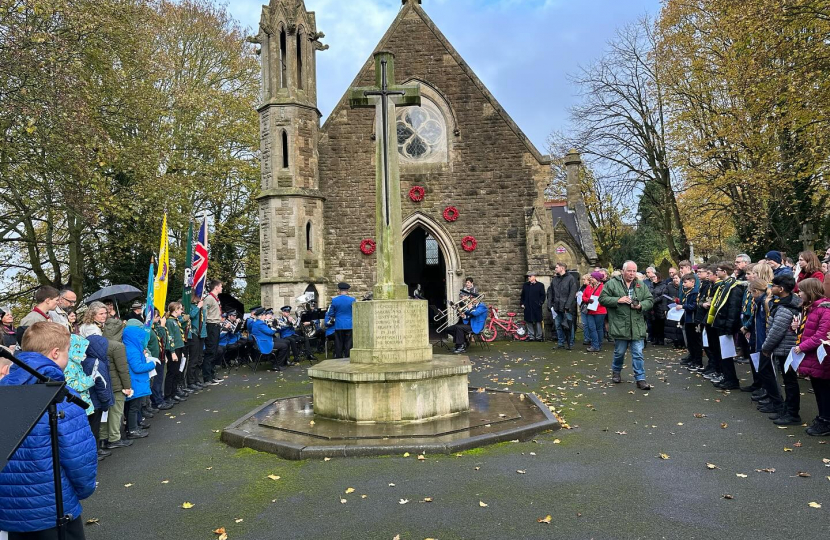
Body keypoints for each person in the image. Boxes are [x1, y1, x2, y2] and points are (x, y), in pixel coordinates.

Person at [0, 322, 97, 539]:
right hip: (54, 507)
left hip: (9, 509)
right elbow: (79, 456)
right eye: (67, 352)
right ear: (55, 353)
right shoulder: (62, 397)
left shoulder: (3, 391)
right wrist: (84, 489)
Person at [599, 261, 654, 390]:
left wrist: (640, 305)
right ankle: (616, 371)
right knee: (619, 352)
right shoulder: (612, 284)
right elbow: (602, 299)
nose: (632, 273)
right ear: (623, 271)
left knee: (638, 353)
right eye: (629, 271)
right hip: (620, 324)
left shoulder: (641, 284)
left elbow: (650, 300)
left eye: (634, 271)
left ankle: (640, 379)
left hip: (637, 324)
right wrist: (618, 300)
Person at [760, 274, 801, 425]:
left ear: (781, 289)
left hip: (785, 349)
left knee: (790, 382)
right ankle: (787, 410)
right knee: (788, 381)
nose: (771, 288)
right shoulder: (781, 304)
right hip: (784, 349)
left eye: (774, 286)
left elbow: (776, 331)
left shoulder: (784, 309)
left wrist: (766, 348)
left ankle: (792, 413)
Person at [794, 279, 830, 436]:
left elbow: (820, 335)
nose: (799, 293)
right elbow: (807, 330)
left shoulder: (824, 310)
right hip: (812, 356)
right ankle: (822, 417)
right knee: (818, 388)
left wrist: (802, 347)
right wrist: (794, 328)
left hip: (820, 358)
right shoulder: (810, 309)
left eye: (801, 290)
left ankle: (826, 420)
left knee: (824, 390)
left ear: (810, 291)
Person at [707, 262, 746, 390]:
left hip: (726, 325)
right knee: (722, 353)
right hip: (720, 323)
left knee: (727, 354)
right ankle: (727, 377)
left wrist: (729, 326)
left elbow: (733, 308)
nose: (716, 272)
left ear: (724, 271)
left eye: (718, 270)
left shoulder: (734, 287)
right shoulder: (723, 285)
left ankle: (731, 379)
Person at [82, 334, 115, 460]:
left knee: (92, 427)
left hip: (91, 400)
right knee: (94, 428)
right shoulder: (98, 364)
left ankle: (95, 450)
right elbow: (102, 385)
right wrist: (106, 401)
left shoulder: (86, 361)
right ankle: (95, 452)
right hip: (97, 402)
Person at [122, 321, 156, 439]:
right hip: (136, 382)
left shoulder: (129, 346)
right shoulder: (132, 350)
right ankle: (132, 430)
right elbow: (137, 367)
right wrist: (152, 364)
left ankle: (133, 427)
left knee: (131, 407)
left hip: (134, 382)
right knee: (134, 407)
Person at [547, 263, 578, 349]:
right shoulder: (555, 279)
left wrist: (568, 305)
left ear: (562, 268)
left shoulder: (570, 278)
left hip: (566, 307)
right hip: (556, 306)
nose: (555, 269)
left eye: (557, 267)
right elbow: (550, 292)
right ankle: (561, 343)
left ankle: (570, 343)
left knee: (568, 325)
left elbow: (572, 293)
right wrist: (550, 304)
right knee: (558, 325)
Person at [202, 280, 223, 385]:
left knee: (214, 351)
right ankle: (207, 377)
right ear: (216, 287)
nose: (221, 288)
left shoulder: (216, 299)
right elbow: (204, 313)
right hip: (211, 325)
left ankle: (212, 374)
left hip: (216, 325)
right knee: (210, 351)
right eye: (220, 286)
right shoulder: (209, 299)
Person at [327, 282, 356, 358]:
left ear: (339, 290)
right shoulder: (352, 300)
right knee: (348, 343)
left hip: (339, 324)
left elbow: (331, 313)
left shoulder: (335, 300)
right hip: (349, 324)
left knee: (339, 343)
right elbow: (355, 312)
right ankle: (348, 358)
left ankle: (338, 358)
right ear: (347, 290)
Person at [680, 273, 702, 369]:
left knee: (695, 341)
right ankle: (693, 359)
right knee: (690, 341)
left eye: (685, 282)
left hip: (693, 320)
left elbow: (694, 306)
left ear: (692, 282)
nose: (683, 285)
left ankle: (698, 361)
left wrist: (683, 306)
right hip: (688, 319)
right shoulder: (688, 292)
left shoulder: (695, 292)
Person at [582, 272, 607, 352]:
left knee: (599, 328)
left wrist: (597, 303)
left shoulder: (603, 287)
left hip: (600, 311)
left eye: (592, 277)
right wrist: (588, 300)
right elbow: (583, 296)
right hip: (590, 311)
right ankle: (595, 345)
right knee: (592, 328)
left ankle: (598, 345)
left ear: (597, 279)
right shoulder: (588, 287)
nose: (591, 279)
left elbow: (605, 299)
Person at [187, 293, 207, 389]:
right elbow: (191, 315)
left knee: (200, 358)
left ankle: (196, 379)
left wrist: (202, 307)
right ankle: (190, 381)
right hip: (194, 333)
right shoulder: (190, 306)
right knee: (193, 358)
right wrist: (198, 307)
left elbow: (204, 319)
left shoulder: (201, 306)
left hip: (201, 334)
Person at [520, 271, 546, 342]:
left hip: (536, 306)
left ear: (534, 277)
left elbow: (543, 295)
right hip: (527, 306)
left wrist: (540, 303)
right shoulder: (525, 285)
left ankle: (539, 336)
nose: (529, 277)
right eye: (528, 276)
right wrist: (522, 303)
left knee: (538, 321)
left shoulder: (540, 285)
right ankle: (531, 336)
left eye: (530, 276)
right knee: (528, 321)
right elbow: (523, 295)